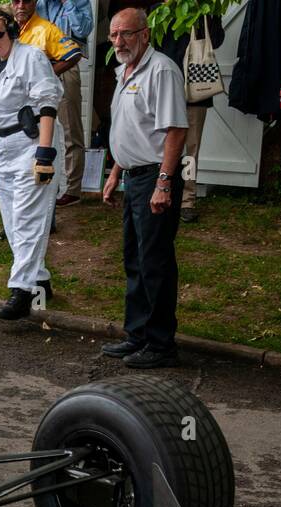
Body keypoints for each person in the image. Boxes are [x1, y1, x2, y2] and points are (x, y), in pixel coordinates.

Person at [99, 6, 187, 368]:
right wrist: (115, 171)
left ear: (145, 35)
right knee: (134, 259)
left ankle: (161, 343)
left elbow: (175, 130)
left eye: (127, 34)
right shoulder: (124, 71)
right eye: (114, 35)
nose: (119, 41)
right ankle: (138, 335)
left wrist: (164, 183)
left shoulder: (161, 70)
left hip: (155, 177)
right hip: (133, 176)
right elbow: (130, 129)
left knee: (155, 262)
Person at [0, 6, 63, 319]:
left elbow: (47, 103)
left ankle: (22, 291)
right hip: (2, 146)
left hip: (30, 144)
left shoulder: (31, 58)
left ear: (11, 31)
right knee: (13, 222)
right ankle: (40, 279)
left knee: (28, 218)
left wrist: (45, 154)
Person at [153, 6, 224, 223]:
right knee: (159, 146)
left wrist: (206, 15)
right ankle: (161, 192)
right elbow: (152, 44)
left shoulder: (204, 8)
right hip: (166, 88)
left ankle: (187, 200)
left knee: (191, 151)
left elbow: (217, 40)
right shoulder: (160, 9)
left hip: (196, 90)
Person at [12, 0, 83, 204]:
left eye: (26, 1)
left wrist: (47, 73)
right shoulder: (15, 24)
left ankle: (72, 189)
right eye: (17, 1)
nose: (21, 5)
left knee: (68, 131)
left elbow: (75, 50)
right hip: (30, 88)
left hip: (58, 74)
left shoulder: (48, 24)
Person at [36, 0, 92, 206]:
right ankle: (46, 182)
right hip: (41, 66)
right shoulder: (38, 3)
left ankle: (73, 189)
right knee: (41, 128)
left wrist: (67, 3)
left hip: (68, 64)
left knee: (71, 128)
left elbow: (83, 29)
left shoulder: (79, 2)